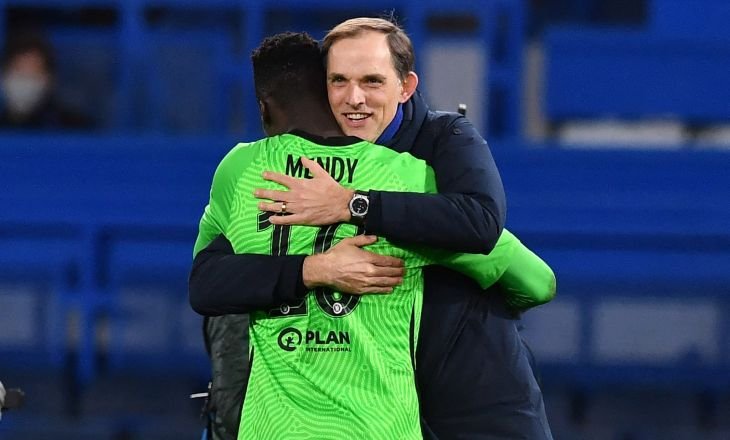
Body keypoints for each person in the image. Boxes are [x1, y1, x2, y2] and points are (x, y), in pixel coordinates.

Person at [190, 18, 553, 439]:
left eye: (372, 81)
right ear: (320, 89)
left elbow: (483, 224)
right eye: (338, 81)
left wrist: (352, 204)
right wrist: (317, 268)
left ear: (406, 87)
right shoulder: (402, 176)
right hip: (388, 412)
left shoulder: (433, 157)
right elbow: (535, 280)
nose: (354, 98)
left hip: (476, 407)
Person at [0, 32, 93, 130]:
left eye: (34, 73)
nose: (25, 80)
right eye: (18, 71)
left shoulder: (75, 127)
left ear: (49, 79)